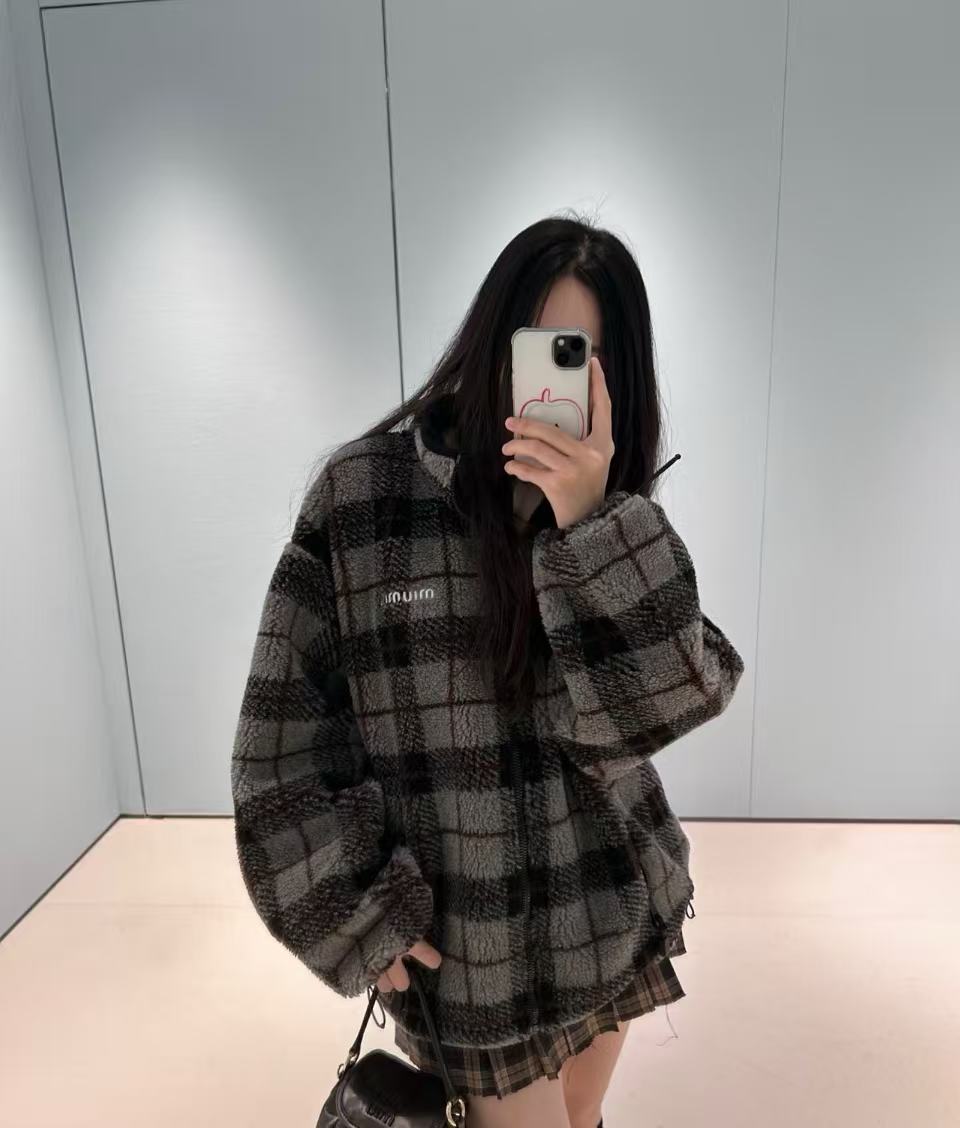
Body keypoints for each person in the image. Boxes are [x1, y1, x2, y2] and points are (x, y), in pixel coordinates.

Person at [231, 213, 745, 1128]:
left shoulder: (605, 505)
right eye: (536, 344)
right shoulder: (366, 497)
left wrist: (592, 522)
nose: (551, 380)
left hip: (607, 908)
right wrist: (355, 911)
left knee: (580, 1119)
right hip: (473, 952)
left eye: (582, 356)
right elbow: (281, 743)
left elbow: (670, 701)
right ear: (490, 338)